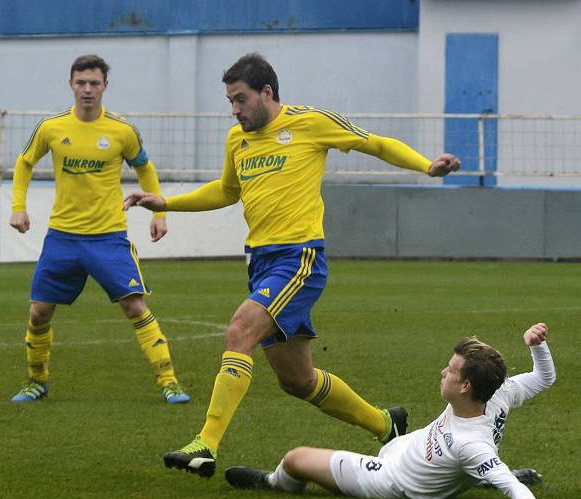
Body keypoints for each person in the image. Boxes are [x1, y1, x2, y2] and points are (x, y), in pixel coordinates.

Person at [123, 53, 461, 477]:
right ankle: (384, 423)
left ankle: (205, 444)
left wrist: (425, 165)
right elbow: (227, 191)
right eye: (229, 101)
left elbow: (374, 143)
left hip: (299, 258)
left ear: (267, 92)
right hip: (261, 262)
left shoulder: (310, 122)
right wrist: (166, 201)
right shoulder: (236, 140)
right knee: (297, 380)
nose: (234, 110)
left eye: (240, 99)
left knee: (239, 330)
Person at [9, 54, 189, 405]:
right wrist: (18, 207)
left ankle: (169, 382)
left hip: (109, 237)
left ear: (105, 86)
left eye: (94, 83)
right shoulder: (51, 128)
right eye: (81, 83)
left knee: (135, 307)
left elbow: (145, 168)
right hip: (62, 237)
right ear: (71, 84)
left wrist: (159, 212)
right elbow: (25, 162)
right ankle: (36, 381)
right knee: (38, 312)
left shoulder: (122, 131)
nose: (87, 89)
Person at [225, 323, 554, 499]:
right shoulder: (499, 393)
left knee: (296, 459)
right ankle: (477, 477)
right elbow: (543, 378)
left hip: (391, 479)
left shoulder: (472, 443)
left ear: (466, 386)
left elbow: (505, 479)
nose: (443, 372)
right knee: (477, 465)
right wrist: (536, 345)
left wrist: (523, 497)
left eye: (451, 371)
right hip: (409, 447)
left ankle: (272, 482)